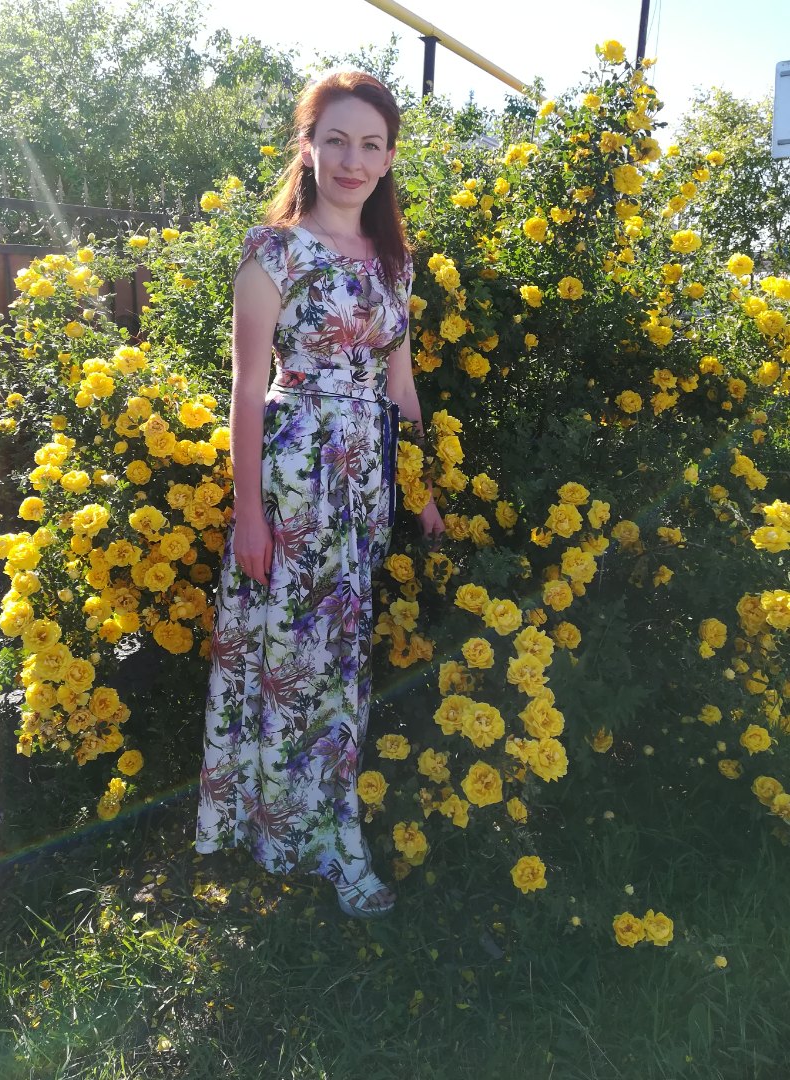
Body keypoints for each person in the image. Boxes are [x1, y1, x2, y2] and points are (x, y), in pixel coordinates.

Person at [195, 70, 444, 918]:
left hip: (364, 485)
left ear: (389, 158)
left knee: (338, 660)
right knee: (288, 658)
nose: (352, 159)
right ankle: (301, 834)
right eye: (335, 139)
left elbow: (401, 386)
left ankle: (319, 826)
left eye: (371, 144)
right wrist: (249, 516)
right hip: (294, 482)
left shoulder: (394, 261)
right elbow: (246, 390)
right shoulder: (273, 251)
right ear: (307, 146)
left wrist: (423, 488)